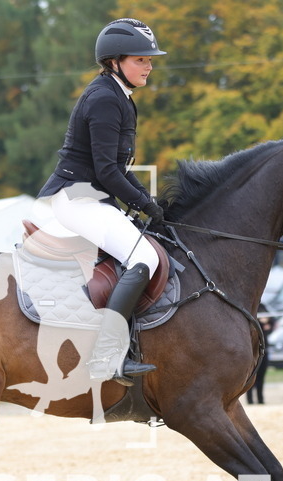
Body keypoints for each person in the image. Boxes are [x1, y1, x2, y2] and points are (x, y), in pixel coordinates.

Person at [36, 18, 166, 386]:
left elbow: (118, 168)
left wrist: (149, 201)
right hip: (76, 199)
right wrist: (144, 203)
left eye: (149, 59)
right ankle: (107, 355)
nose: (149, 66)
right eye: (140, 59)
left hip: (91, 198)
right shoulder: (106, 99)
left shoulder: (118, 95)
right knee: (144, 257)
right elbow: (108, 171)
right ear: (114, 62)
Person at [246, 304, 274, 405]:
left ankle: (260, 400)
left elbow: (271, 322)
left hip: (263, 349)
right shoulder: (250, 305)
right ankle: (250, 400)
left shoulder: (263, 306)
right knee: (250, 376)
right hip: (252, 349)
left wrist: (266, 324)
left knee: (261, 376)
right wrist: (262, 323)